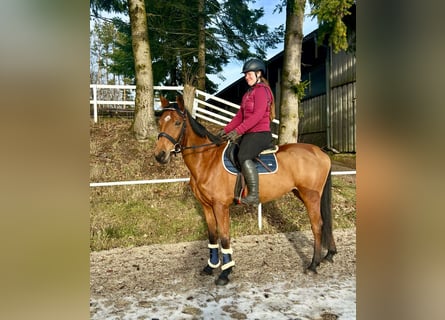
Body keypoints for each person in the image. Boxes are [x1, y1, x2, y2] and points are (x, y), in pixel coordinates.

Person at [219, 58, 275, 206]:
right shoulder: (248, 94)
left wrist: (238, 131)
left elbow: (257, 116)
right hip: (250, 133)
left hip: (261, 133)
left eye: (249, 74)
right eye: (245, 75)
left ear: (258, 73)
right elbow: (240, 117)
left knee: (243, 155)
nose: (246, 77)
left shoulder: (262, 91)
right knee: (233, 150)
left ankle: (254, 196)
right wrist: (225, 130)